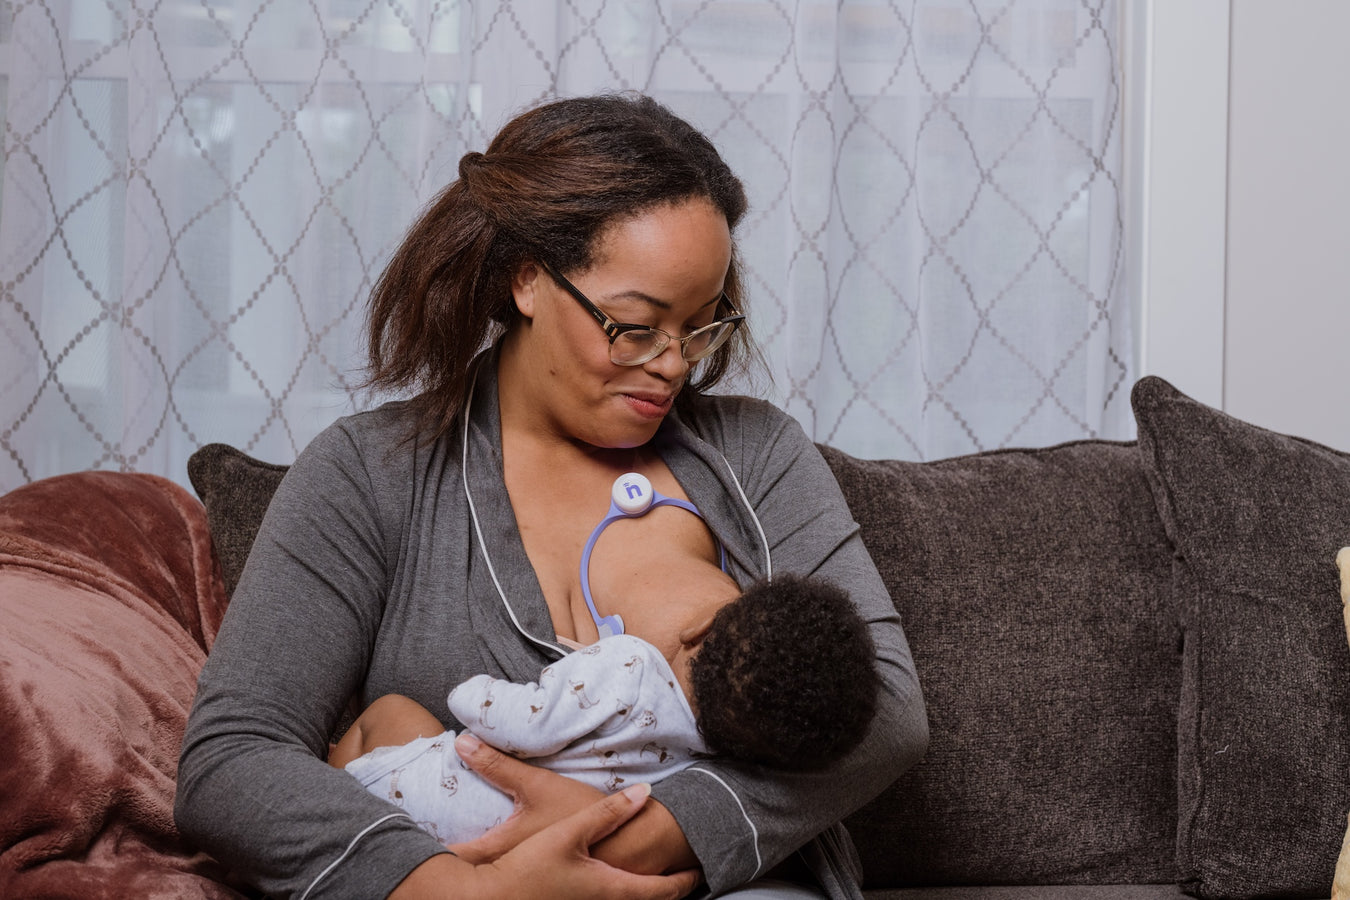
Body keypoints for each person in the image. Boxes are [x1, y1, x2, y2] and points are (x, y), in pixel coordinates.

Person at [175, 92, 928, 900]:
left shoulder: (756, 453)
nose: (675, 363)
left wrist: (642, 837)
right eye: (636, 325)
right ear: (527, 280)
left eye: (702, 326)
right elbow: (233, 757)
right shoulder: (368, 472)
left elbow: (888, 712)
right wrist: (465, 892)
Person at [328, 573, 880, 846]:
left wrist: (470, 693)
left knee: (394, 713)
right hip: (510, 844)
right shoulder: (700, 766)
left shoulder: (630, 662)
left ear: (701, 628)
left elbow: (527, 725)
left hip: (444, 794)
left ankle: (333, 775)